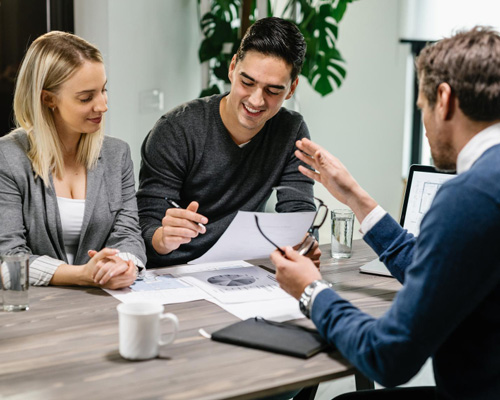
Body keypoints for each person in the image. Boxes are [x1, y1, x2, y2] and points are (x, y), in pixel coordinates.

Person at [270, 26, 500, 400]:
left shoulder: (470, 195)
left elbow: (389, 356)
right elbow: (442, 269)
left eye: (422, 109)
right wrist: (356, 197)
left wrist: (311, 290)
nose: (424, 128)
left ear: (444, 99)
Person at [137, 17, 319, 267]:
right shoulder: (176, 130)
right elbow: (146, 222)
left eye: (273, 91)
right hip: (174, 271)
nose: (256, 101)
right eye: (247, 82)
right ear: (232, 68)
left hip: (244, 269)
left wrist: (303, 245)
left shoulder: (290, 131)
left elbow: (297, 214)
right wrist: (162, 238)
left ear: (291, 88)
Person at [0, 31, 146, 289]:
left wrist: (122, 265)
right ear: (48, 99)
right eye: (86, 97)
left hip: (102, 304)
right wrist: (82, 274)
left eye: (104, 90)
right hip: (37, 310)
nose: (102, 106)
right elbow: (8, 257)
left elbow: (129, 234)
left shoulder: (117, 154)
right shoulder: (7, 157)